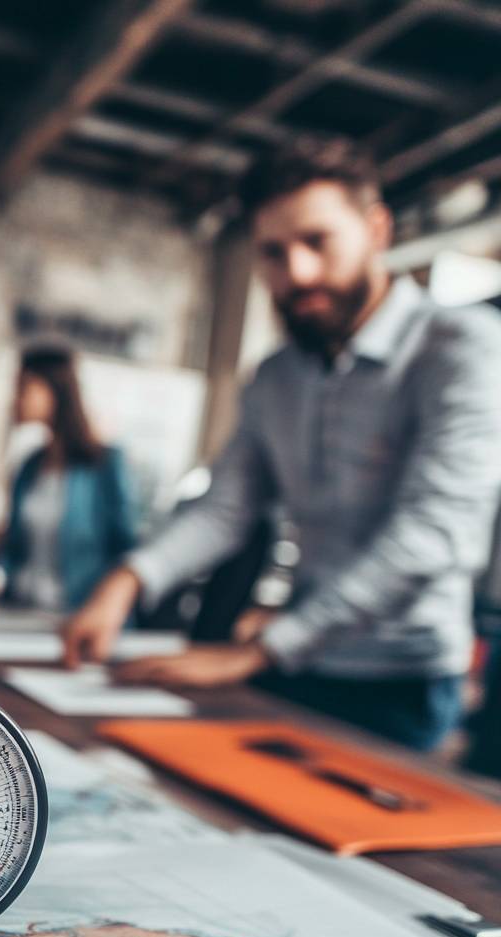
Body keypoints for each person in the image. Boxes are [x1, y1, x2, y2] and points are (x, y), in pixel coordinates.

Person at [63, 141, 501, 751]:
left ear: (377, 231)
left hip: (401, 681)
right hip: (295, 663)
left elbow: (434, 534)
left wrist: (263, 649)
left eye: (317, 242)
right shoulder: (274, 378)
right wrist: (126, 583)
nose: (297, 272)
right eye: (273, 252)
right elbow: (225, 508)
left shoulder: (462, 347)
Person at [0, 346, 137, 612]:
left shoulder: (106, 464)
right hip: (19, 611)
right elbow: (14, 551)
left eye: (24, 387)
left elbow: (125, 551)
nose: (15, 398)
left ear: (55, 391)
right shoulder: (29, 466)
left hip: (74, 615)